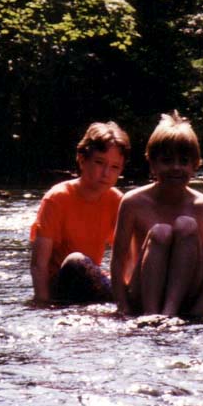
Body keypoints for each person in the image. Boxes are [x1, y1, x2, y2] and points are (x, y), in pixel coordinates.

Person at [110, 111, 203, 317]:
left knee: (186, 225)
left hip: (187, 297)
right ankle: (153, 315)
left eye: (184, 161)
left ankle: (169, 313)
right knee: (160, 232)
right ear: (152, 163)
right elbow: (117, 263)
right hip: (142, 294)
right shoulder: (133, 202)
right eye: (167, 161)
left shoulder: (202, 206)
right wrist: (123, 309)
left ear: (195, 165)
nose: (176, 168)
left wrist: (199, 312)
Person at [29, 121, 130, 305]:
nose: (106, 173)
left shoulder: (118, 201)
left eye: (115, 167)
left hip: (89, 282)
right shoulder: (57, 198)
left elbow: (129, 256)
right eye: (99, 163)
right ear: (82, 160)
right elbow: (38, 264)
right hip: (61, 288)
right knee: (76, 261)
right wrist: (42, 303)